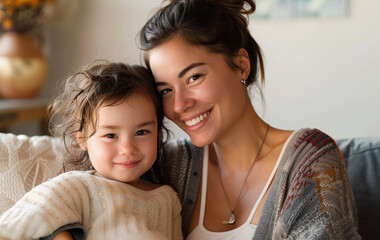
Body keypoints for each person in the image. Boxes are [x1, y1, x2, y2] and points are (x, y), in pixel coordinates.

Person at [137, 0, 361, 239]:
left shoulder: (310, 161)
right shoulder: (167, 164)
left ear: (242, 66)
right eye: (166, 91)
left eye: (194, 77)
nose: (179, 105)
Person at [0, 61, 182, 240]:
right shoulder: (77, 186)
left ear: (158, 133)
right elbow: (14, 226)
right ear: (82, 139)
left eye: (141, 132)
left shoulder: (168, 199)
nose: (128, 148)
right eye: (110, 135)